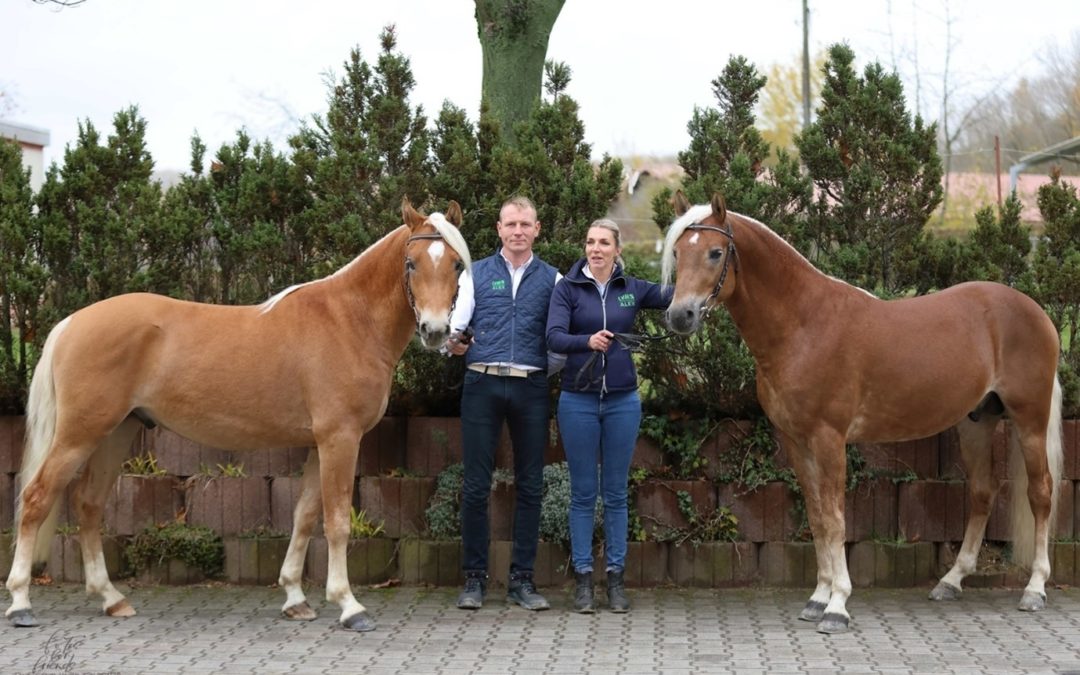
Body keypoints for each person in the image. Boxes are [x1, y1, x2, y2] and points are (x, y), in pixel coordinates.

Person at [545, 218, 672, 613]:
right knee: (583, 494)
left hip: (622, 401)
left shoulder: (632, 290)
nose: (595, 249)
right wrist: (587, 341)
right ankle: (583, 580)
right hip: (577, 400)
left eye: (604, 243)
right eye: (590, 242)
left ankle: (616, 579)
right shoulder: (567, 289)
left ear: (618, 250)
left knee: (616, 494)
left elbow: (676, 295)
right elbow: (552, 337)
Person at [446, 195, 559, 611]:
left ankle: (522, 581)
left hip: (530, 387)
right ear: (498, 229)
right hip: (482, 384)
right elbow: (455, 329)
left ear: (536, 229)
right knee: (476, 486)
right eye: (510, 224)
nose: (517, 232)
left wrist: (543, 369)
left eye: (525, 225)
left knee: (530, 486)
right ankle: (474, 579)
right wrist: (453, 347)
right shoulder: (475, 275)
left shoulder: (554, 279)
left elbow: (560, 336)